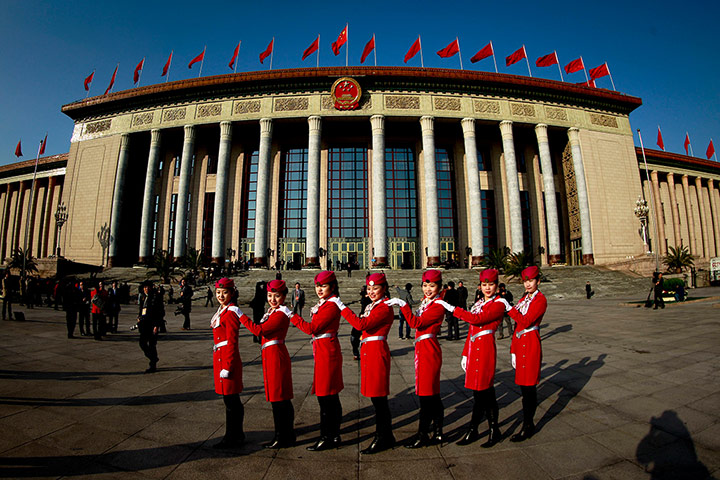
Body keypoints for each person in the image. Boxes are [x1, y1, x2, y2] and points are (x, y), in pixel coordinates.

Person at [438, 269, 508, 447]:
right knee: (478, 394)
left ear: (496, 286)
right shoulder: (478, 303)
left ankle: (493, 430)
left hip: (485, 350)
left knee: (487, 393)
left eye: (491, 285)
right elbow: (471, 331)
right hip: (474, 349)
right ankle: (474, 429)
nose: (487, 288)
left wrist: (454, 309)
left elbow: (478, 320)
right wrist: (465, 353)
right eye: (484, 285)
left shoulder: (499, 303)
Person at [330, 273, 395, 454]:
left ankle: (382, 437)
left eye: (375, 288)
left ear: (384, 289)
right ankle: (386, 435)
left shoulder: (384, 307)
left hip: (377, 352)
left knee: (379, 399)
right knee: (376, 398)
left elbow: (361, 324)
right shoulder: (372, 305)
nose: (372, 291)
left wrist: (341, 306)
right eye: (369, 288)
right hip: (369, 352)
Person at [386, 270, 445, 448]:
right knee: (432, 395)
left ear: (439, 287)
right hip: (423, 350)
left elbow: (415, 323)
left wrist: (402, 304)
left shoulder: (438, 305)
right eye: (425, 285)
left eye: (432, 286)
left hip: (429, 351)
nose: (428, 289)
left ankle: (423, 434)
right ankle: (438, 432)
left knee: (427, 396)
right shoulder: (427, 303)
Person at [288, 271, 344, 451]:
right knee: (329, 396)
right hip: (323, 350)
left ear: (332, 287)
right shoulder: (325, 303)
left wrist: (292, 316)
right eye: (317, 286)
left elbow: (312, 328)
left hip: (327, 352)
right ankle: (333, 435)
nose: (319, 289)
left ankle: (328, 436)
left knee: (326, 396)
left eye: (324, 286)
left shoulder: (331, 306)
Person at [237, 279, 296, 449]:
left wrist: (240, 314)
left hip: (276, 355)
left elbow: (259, 330)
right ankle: (286, 434)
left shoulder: (280, 314)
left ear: (284, 296)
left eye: (276, 296)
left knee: (280, 398)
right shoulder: (272, 312)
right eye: (269, 296)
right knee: (279, 397)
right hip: (270, 354)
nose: (272, 299)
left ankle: (282, 436)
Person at [505, 265, 547, 442]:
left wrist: (509, 308)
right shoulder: (525, 298)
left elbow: (527, 321)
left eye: (531, 281)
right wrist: (513, 350)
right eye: (525, 281)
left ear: (538, 281)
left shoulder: (540, 300)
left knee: (529, 389)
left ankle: (528, 425)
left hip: (530, 344)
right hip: (520, 344)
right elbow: (517, 328)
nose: (528, 284)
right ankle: (527, 423)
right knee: (523, 387)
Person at [210, 278, 245, 449]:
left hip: (227, 361)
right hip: (221, 358)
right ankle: (235, 435)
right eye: (218, 292)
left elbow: (232, 341)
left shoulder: (231, 312)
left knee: (232, 402)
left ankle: (233, 436)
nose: (221, 296)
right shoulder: (223, 310)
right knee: (229, 400)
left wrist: (228, 366)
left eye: (224, 292)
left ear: (232, 293)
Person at [137, 281, 162, 373]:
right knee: (142, 343)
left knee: (152, 345)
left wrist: (156, 325)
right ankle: (153, 358)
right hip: (144, 324)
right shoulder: (144, 297)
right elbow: (142, 309)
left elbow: (159, 312)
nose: (146, 289)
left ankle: (153, 365)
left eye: (148, 287)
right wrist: (139, 317)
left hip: (152, 324)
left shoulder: (155, 297)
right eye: (145, 287)